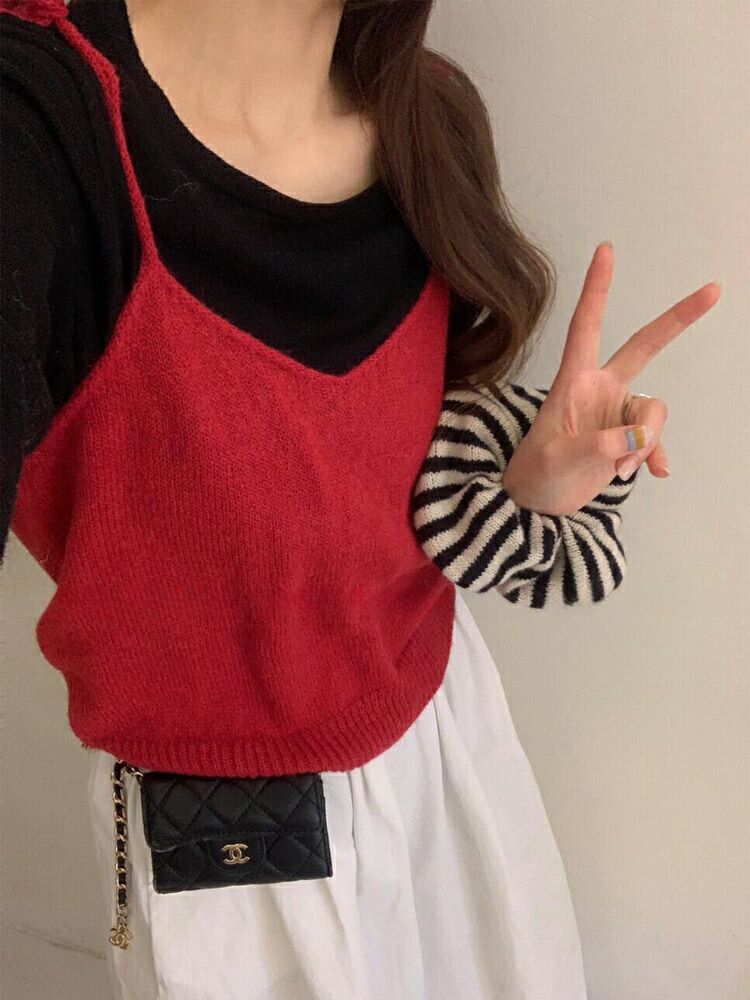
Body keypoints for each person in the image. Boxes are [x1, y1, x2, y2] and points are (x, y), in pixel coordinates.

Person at [0, 1, 720, 998]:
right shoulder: (38, 126)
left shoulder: (427, 117)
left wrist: (521, 485)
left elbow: (367, 486)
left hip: (451, 744)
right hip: (233, 851)